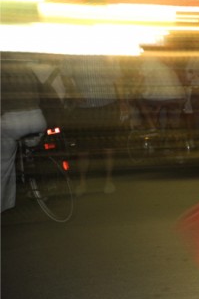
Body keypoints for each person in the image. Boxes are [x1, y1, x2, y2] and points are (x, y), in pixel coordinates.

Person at [61, 54, 125, 195]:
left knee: (108, 146)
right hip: (84, 106)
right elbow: (65, 75)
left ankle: (109, 181)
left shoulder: (108, 52)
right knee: (83, 148)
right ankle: (82, 183)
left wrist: (122, 103)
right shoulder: (72, 52)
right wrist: (73, 91)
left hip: (107, 103)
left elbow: (117, 79)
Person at [1, 58, 48, 212]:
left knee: (4, 164)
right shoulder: (27, 71)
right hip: (37, 119)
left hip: (13, 121)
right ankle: (35, 178)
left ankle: (4, 204)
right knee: (30, 146)